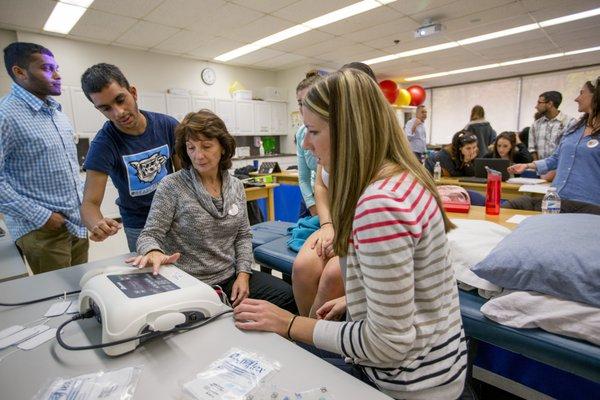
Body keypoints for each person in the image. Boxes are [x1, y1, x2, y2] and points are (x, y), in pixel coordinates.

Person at [233, 70, 467, 400]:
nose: (305, 142)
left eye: (313, 131)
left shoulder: (378, 204)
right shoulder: (405, 179)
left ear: (347, 133)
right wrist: (360, 297)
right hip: (442, 366)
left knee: (276, 363)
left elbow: (386, 346)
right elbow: (415, 286)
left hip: (408, 383)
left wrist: (289, 324)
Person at [127, 110, 296, 311]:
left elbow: (243, 236)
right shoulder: (172, 186)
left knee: (288, 297)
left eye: (206, 146)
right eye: (191, 148)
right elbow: (149, 235)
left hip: (229, 276)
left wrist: (243, 274)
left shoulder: (235, 186)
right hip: (189, 283)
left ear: (223, 148)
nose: (198, 155)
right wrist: (153, 251)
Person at [292, 62, 378, 317]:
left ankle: (310, 337)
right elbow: (319, 183)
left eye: (314, 132)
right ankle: (308, 334)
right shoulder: (327, 147)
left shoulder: (375, 165)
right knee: (303, 268)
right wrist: (327, 225)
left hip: (358, 227)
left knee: (331, 275)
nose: (307, 143)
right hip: (336, 222)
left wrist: (344, 235)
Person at [0, 42, 88, 273]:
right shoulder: (5, 115)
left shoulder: (57, 114)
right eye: (47, 68)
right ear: (20, 72)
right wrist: (43, 216)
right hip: (41, 229)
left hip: (75, 223)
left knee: (81, 289)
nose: (57, 75)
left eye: (56, 67)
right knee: (58, 300)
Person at [80, 63, 179, 252]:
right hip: (139, 225)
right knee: (152, 277)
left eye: (120, 100)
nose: (118, 113)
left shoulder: (168, 126)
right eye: (106, 108)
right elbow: (89, 204)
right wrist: (96, 224)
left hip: (176, 216)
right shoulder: (104, 144)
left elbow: (186, 175)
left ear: (133, 92)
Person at [506, 78, 600, 214]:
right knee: (515, 204)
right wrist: (527, 166)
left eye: (581, 93)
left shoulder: (568, 123)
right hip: (557, 199)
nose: (576, 98)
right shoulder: (574, 128)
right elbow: (556, 157)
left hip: (588, 204)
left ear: (596, 96)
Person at [295, 70, 322, 218]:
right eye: (300, 103)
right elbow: (303, 178)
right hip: (310, 198)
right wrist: (312, 205)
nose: (303, 107)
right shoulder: (301, 134)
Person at [528, 91, 576, 160]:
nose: (536, 106)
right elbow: (532, 149)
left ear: (550, 104)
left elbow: (571, 149)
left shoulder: (570, 122)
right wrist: (538, 166)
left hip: (561, 168)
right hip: (541, 169)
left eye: (539, 103)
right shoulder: (536, 124)